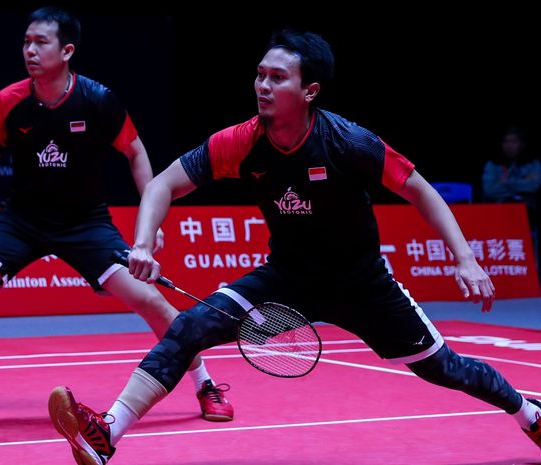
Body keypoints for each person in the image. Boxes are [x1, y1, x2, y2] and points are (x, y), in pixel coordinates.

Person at [47, 29, 541, 464]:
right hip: (286, 278)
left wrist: (465, 258)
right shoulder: (242, 141)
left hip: (362, 284)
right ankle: (107, 433)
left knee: (443, 369)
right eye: (259, 75)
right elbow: (161, 185)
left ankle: (528, 413)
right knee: (190, 327)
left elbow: (418, 188)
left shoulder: (347, 141)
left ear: (309, 91)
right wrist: (144, 241)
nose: (262, 86)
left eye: (277, 78)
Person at [0, 7, 233, 425]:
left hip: (85, 223)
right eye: (26, 42)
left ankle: (205, 384)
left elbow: (136, 152)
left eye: (41, 43)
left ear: (67, 50)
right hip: (20, 220)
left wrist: (151, 221)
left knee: (150, 299)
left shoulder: (98, 100)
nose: (30, 50)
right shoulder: (8, 102)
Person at [482, 126, 541, 275]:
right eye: (506, 142)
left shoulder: (532, 163)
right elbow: (489, 189)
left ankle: (533, 270)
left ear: (522, 144)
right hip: (499, 209)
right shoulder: (493, 164)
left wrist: (505, 182)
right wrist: (521, 183)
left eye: (514, 141)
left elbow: (535, 185)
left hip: (529, 211)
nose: (509, 145)